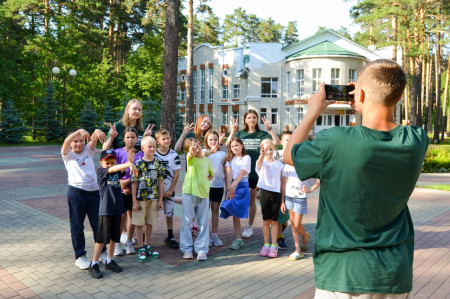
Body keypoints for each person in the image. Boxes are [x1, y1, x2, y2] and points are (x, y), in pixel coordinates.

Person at [284, 59, 429, 297]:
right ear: (400, 97)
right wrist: (366, 100)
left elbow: (290, 154)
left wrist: (313, 110)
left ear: (358, 93)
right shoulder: (416, 140)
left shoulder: (335, 141)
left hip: (342, 275)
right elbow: (381, 130)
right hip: (394, 274)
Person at [227, 109, 280, 238]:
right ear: (245, 120)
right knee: (240, 200)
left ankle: (249, 226)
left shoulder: (262, 134)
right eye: (249, 117)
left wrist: (270, 130)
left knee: (252, 200)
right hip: (241, 174)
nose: (251, 120)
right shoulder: (240, 133)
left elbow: (277, 143)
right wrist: (233, 131)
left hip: (257, 173)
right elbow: (228, 144)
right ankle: (238, 230)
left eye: (254, 117)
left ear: (257, 120)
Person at [88, 149, 138, 279]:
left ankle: (109, 261)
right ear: (101, 163)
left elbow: (121, 171)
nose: (110, 165)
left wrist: (130, 161)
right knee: (101, 239)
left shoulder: (116, 172)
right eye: (107, 162)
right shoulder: (101, 172)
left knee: (114, 238)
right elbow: (112, 170)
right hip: (105, 210)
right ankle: (94, 264)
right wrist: (128, 164)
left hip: (117, 209)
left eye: (112, 162)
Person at [61, 128, 107, 270]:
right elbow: (66, 142)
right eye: (75, 141)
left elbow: (93, 139)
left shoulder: (88, 151)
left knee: (97, 225)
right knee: (77, 226)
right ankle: (80, 256)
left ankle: (102, 252)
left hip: (94, 194)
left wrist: (98, 130)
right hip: (76, 194)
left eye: (81, 141)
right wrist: (79, 131)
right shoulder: (68, 155)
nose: (79, 144)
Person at [131, 136, 165, 263]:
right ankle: (141, 247)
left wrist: (161, 199)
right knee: (139, 223)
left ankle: (147, 245)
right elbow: (133, 183)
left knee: (150, 222)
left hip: (154, 198)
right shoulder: (137, 164)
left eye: (154, 147)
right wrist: (134, 201)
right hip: (141, 199)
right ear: (142, 148)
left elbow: (160, 182)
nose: (152, 149)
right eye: (149, 147)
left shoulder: (158, 163)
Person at [180, 138, 214, 261]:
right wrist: (191, 152)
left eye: (198, 146)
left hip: (203, 194)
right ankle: (187, 249)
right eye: (193, 147)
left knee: (203, 222)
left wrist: (204, 182)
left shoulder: (206, 160)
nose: (196, 148)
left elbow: (211, 174)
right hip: (189, 192)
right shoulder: (191, 159)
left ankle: (201, 250)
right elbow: (189, 156)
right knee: (187, 221)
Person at [280, 157, 320, 260]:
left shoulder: (305, 163)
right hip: (289, 197)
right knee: (293, 224)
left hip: (300, 198)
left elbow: (320, 177)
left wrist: (311, 189)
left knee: (297, 224)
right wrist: (282, 201)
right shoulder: (287, 165)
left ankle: (304, 236)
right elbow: (284, 183)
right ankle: (297, 249)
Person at [113, 127, 144, 255]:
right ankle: (117, 243)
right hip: (121, 191)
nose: (130, 140)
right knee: (121, 217)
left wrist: (132, 189)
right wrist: (123, 186)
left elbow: (141, 174)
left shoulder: (141, 154)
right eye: (128, 137)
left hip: (135, 192)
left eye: (133, 137)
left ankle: (129, 242)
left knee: (133, 217)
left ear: (137, 138)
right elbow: (114, 171)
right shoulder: (118, 152)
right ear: (123, 138)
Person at [220, 137, 251, 250]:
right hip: (231, 186)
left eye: (236, 145)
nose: (234, 148)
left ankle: (239, 238)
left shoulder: (246, 158)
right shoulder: (230, 159)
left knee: (236, 211)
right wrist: (229, 187)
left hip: (241, 186)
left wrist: (233, 186)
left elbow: (242, 173)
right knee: (231, 209)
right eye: (232, 146)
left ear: (242, 145)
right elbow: (229, 173)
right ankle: (238, 238)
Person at [255, 139, 284, 258]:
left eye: (270, 149)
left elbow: (282, 182)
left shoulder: (279, 164)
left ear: (274, 149)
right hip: (265, 193)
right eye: (265, 149)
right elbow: (258, 163)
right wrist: (261, 155)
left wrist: (282, 200)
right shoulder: (261, 163)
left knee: (274, 220)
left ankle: (274, 244)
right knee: (266, 220)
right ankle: (266, 244)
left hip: (276, 194)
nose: (268, 152)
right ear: (262, 150)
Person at [154, 129, 182, 249]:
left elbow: (176, 174)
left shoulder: (174, 155)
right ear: (158, 141)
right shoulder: (154, 154)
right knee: (151, 215)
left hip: (168, 191)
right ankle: (146, 238)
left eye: (168, 138)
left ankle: (170, 236)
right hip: (155, 192)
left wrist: (170, 190)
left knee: (169, 214)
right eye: (163, 139)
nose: (166, 141)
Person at [203, 130, 227, 247]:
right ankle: (204, 235)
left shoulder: (222, 154)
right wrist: (209, 152)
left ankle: (214, 235)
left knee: (215, 210)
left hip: (218, 186)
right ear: (206, 141)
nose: (213, 142)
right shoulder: (203, 152)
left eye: (215, 139)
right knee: (204, 211)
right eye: (210, 139)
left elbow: (226, 170)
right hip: (205, 186)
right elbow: (201, 155)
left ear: (219, 141)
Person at [274, 131, 292, 250]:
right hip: (278, 189)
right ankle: (279, 237)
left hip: (291, 189)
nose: (289, 142)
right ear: (281, 142)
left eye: (291, 140)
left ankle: (280, 229)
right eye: (286, 140)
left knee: (288, 214)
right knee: (280, 213)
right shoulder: (277, 154)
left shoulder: (294, 154)